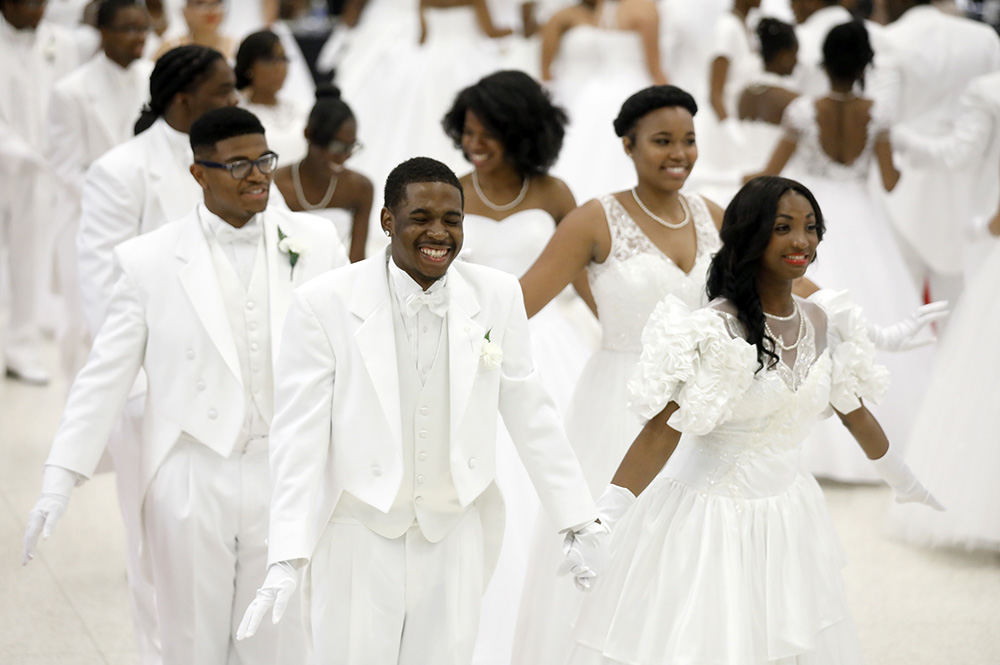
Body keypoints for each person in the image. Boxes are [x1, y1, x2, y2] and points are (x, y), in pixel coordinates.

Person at [236, 156, 604, 665]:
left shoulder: (496, 295)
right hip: (359, 533)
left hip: (454, 531)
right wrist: (286, 554)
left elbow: (531, 411)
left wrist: (577, 521)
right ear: (388, 221)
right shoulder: (325, 303)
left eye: (452, 220)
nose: (439, 233)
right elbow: (299, 438)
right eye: (421, 219)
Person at [568, 175, 942, 665]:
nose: (801, 241)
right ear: (750, 235)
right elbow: (660, 432)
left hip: (789, 512)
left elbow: (853, 411)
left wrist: (904, 479)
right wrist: (603, 522)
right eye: (783, 227)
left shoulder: (817, 320)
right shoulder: (715, 327)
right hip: (711, 520)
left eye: (810, 228)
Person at [23, 106, 348, 665]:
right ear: (198, 173)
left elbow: (350, 351)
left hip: (285, 469)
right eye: (238, 164)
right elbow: (106, 376)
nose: (257, 175)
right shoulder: (149, 260)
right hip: (192, 467)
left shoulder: (316, 241)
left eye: (264, 160)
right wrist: (59, 477)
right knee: (190, 639)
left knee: (282, 638)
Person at [512, 84, 727, 665]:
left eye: (688, 140)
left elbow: (770, 286)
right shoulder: (594, 218)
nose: (678, 153)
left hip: (704, 406)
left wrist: (849, 317)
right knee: (617, 543)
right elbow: (521, 301)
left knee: (694, 549)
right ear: (628, 145)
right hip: (619, 403)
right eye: (662, 141)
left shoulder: (710, 214)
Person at [71, 43, 237, 665]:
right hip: (156, 393)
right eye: (223, 91)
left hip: (236, 393)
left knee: (227, 556)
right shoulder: (121, 171)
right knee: (158, 561)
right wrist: (143, 391)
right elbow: (104, 292)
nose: (234, 102)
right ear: (182, 99)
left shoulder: (240, 163)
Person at [441, 69, 600, 665]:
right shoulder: (451, 189)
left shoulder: (555, 194)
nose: (473, 144)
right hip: (470, 347)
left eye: (487, 134)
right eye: (467, 132)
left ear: (521, 132)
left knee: (555, 467)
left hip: (551, 346)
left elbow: (587, 277)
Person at [751, 21, 935, 482]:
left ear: (823, 63)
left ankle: (808, 435)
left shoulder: (802, 111)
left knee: (807, 314)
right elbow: (890, 181)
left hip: (809, 219)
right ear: (865, 65)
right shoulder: (878, 114)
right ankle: (879, 435)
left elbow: (769, 174)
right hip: (863, 218)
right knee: (868, 310)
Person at [47, 0, 153, 377]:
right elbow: (63, 163)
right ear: (103, 32)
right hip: (83, 218)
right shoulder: (71, 91)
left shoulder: (155, 80)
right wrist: (113, 197)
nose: (139, 37)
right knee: (82, 320)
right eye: (128, 29)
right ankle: (75, 418)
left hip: (145, 218)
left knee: (135, 320)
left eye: (143, 28)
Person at [874, 0, 1000, 306]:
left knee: (900, 294)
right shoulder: (984, 38)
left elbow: (882, 116)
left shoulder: (890, 39)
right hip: (974, 182)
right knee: (964, 296)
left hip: (904, 180)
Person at [0, 0, 86, 384]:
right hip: (11, 155)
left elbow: (68, 100)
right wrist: (17, 149)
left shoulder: (62, 43)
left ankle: (22, 347)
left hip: (41, 171)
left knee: (30, 259)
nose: (36, 9)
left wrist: (55, 156)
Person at [543, 0, 668, 201]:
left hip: (597, 93)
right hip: (633, 86)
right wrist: (671, 99)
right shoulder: (645, 8)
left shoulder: (605, 8)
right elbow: (654, 67)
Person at [273, 85, 373, 263]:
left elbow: (357, 261)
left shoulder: (360, 188)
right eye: (337, 147)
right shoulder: (277, 184)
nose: (345, 156)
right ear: (308, 135)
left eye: (351, 147)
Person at [235, 30, 309, 167]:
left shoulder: (301, 110)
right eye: (270, 60)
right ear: (249, 66)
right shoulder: (237, 115)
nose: (280, 67)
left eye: (283, 59)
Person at [790, 0, 853, 96]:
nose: (790, 6)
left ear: (812, 2)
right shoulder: (875, 34)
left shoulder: (795, 39)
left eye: (793, 1)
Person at [154, 0, 236, 61]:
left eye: (216, 3)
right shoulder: (169, 47)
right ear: (185, 11)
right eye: (200, 3)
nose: (210, 10)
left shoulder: (236, 46)